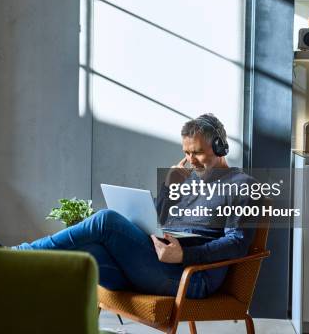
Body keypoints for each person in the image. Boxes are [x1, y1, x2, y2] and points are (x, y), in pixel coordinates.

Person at [15, 114, 260, 299]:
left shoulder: (241, 186)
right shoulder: (188, 181)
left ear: (220, 148)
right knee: (89, 249)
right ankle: (13, 275)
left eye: (197, 153)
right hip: (155, 265)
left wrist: (184, 254)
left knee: (106, 221)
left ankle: (19, 255)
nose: (190, 161)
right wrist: (168, 186)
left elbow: (237, 243)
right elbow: (158, 219)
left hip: (191, 278)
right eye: (186, 153)